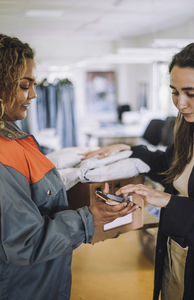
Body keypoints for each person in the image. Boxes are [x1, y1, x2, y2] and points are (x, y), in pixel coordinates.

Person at [0, 34, 136, 300]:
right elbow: (24, 242)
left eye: (34, 84)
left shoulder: (15, 137)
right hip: (23, 288)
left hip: (40, 281)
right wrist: (89, 218)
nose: (34, 95)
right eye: (24, 85)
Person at [82, 42, 194, 300]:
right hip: (175, 253)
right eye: (174, 92)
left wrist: (168, 201)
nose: (180, 104)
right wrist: (130, 150)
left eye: (191, 93)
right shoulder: (187, 129)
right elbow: (171, 165)